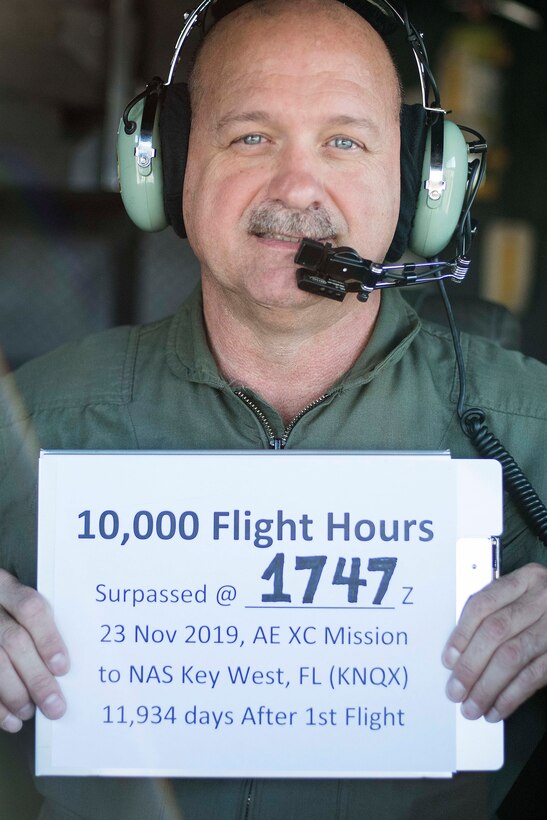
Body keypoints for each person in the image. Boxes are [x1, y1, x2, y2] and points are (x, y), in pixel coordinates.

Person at [1, 1, 546, 818]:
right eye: (250, 136)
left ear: (416, 184)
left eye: (344, 141)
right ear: (167, 167)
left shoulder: (531, 426)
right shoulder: (28, 419)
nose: (296, 186)